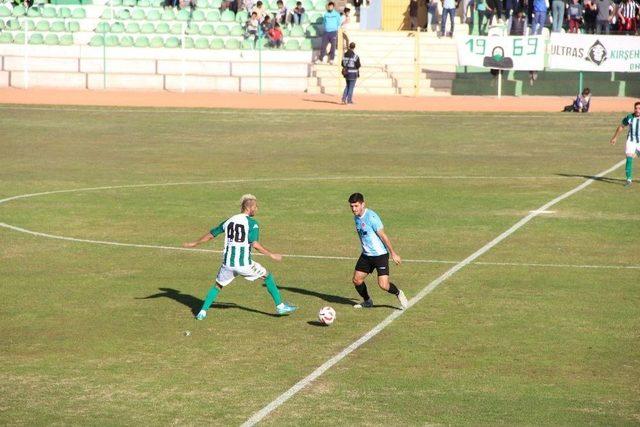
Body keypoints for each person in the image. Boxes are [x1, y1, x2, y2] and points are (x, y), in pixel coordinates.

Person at [183, 194, 297, 320]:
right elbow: (255, 244)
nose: (257, 209)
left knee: (217, 286)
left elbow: (212, 234)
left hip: (228, 264)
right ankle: (280, 306)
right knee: (267, 276)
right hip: (244, 264)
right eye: (256, 206)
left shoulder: (229, 220)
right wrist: (271, 255)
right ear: (250, 208)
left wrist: (195, 243)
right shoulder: (252, 223)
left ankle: (202, 312)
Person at [347, 193, 409, 310]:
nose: (354, 209)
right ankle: (367, 301)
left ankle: (398, 293)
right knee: (357, 280)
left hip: (380, 255)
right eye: (352, 206)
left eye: (356, 206)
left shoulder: (371, 217)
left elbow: (383, 236)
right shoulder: (356, 217)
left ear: (363, 204)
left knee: (383, 285)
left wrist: (393, 253)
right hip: (366, 255)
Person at [610, 101, 640, 188]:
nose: (637, 110)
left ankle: (638, 152)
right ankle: (629, 179)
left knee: (635, 155)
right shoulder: (629, 117)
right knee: (629, 157)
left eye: (639, 108)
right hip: (631, 141)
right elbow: (621, 126)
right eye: (636, 108)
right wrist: (615, 137)